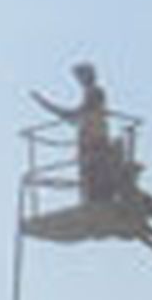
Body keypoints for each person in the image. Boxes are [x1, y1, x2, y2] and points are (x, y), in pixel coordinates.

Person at [30, 61, 120, 203]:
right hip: (90, 142)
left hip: (95, 142)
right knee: (91, 180)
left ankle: (97, 200)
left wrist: (45, 103)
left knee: (96, 177)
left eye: (80, 75)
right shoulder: (92, 93)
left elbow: (74, 114)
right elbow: (75, 116)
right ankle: (93, 200)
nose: (79, 80)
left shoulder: (95, 92)